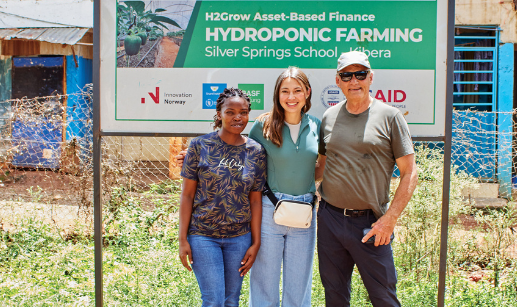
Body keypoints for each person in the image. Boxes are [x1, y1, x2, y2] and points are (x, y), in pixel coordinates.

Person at [316, 51, 418, 307]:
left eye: (360, 74)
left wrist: (390, 219)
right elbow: (321, 166)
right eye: (347, 75)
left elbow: (410, 172)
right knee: (335, 296)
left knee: (383, 297)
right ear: (337, 81)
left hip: (371, 224)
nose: (354, 81)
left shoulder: (390, 116)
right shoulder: (329, 117)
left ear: (371, 78)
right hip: (330, 220)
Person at [178, 87, 266, 307]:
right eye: (230, 112)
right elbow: (187, 196)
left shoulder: (256, 152)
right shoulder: (199, 146)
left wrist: (256, 243)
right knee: (214, 300)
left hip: (239, 238)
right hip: (203, 236)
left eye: (243, 112)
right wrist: (182, 239)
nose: (238, 117)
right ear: (219, 114)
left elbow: (255, 200)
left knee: (231, 301)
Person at [248, 67, 322, 307]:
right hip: (270, 210)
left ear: (307, 93)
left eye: (297, 90)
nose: (291, 97)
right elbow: (241, 159)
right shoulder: (262, 126)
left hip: (305, 211)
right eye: (285, 91)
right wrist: (195, 156)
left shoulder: (318, 127)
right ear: (277, 95)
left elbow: (320, 167)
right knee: (263, 283)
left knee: (299, 287)